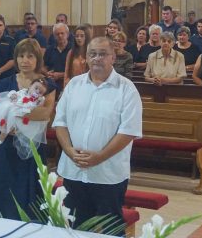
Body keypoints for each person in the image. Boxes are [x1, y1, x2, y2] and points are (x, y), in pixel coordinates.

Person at [53, 37, 142, 234]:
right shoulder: (74, 85)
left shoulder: (126, 89)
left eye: (102, 54)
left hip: (108, 174)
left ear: (113, 57)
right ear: (86, 57)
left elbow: (128, 131)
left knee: (111, 228)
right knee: (77, 226)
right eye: (92, 54)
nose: (97, 58)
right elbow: (60, 122)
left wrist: (100, 156)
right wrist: (69, 151)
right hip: (74, 170)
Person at [0, 39, 57, 220]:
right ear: (15, 58)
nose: (25, 60)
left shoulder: (46, 84)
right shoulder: (3, 84)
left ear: (37, 59)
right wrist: (9, 122)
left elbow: (45, 114)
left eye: (30, 56)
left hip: (32, 146)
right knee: (4, 193)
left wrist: (14, 114)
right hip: (6, 145)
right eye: (21, 56)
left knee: (29, 196)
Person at [0, 78, 50, 155]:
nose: (37, 92)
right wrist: (14, 96)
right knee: (4, 108)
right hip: (14, 108)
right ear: (30, 86)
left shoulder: (37, 100)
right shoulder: (23, 92)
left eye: (40, 92)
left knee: (10, 119)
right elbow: (15, 95)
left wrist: (40, 100)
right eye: (36, 88)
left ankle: (0, 139)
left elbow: (38, 109)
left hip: (22, 114)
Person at [44, 23, 72, 89]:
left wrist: (60, 75)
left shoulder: (73, 49)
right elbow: (43, 66)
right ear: (54, 36)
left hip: (69, 83)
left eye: (62, 33)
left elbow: (77, 72)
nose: (60, 36)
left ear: (67, 34)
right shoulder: (49, 49)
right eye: (57, 34)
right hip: (51, 83)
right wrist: (47, 73)